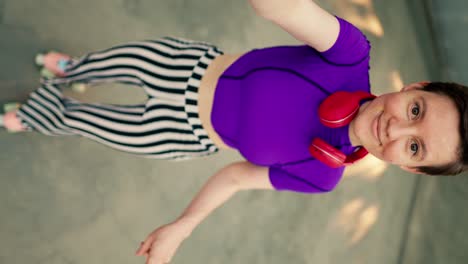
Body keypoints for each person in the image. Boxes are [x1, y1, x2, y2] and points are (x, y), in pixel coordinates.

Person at [1, 0, 467, 263]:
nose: (396, 127)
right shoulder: (349, 55)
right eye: (416, 109)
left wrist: (183, 228)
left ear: (410, 166)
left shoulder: (321, 175)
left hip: (181, 134)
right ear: (415, 87)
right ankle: (73, 69)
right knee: (109, 63)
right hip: (185, 66)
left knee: (90, 123)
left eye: (414, 144)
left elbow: (239, 177)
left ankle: (43, 114)